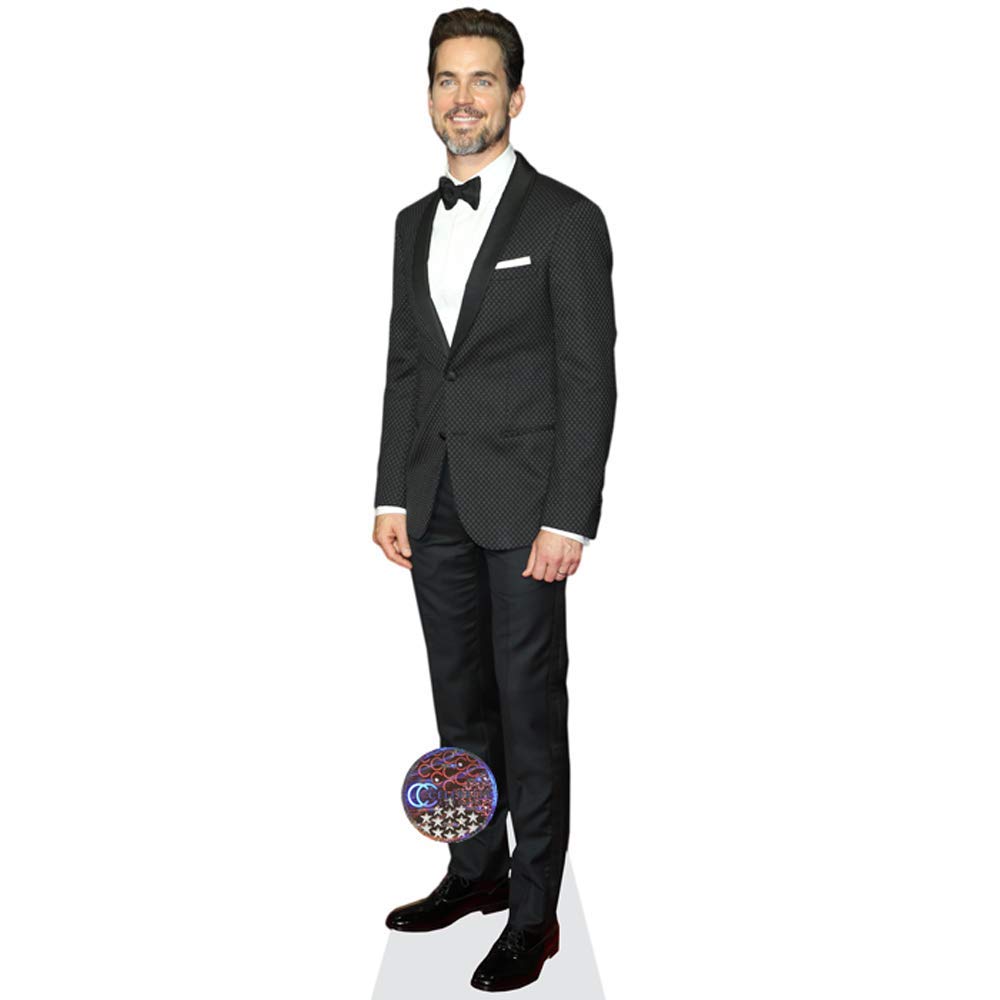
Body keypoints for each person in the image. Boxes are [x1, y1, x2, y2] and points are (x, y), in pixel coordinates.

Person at [372, 9, 617, 991]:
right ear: (429, 94)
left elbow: (587, 377)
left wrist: (569, 515)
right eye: (446, 79)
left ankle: (534, 912)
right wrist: (390, 492)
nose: (462, 98)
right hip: (431, 502)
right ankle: (474, 868)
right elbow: (408, 368)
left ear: (515, 96)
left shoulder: (565, 219)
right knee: (459, 703)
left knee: (528, 710)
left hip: (525, 514)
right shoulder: (410, 224)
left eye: (482, 80)